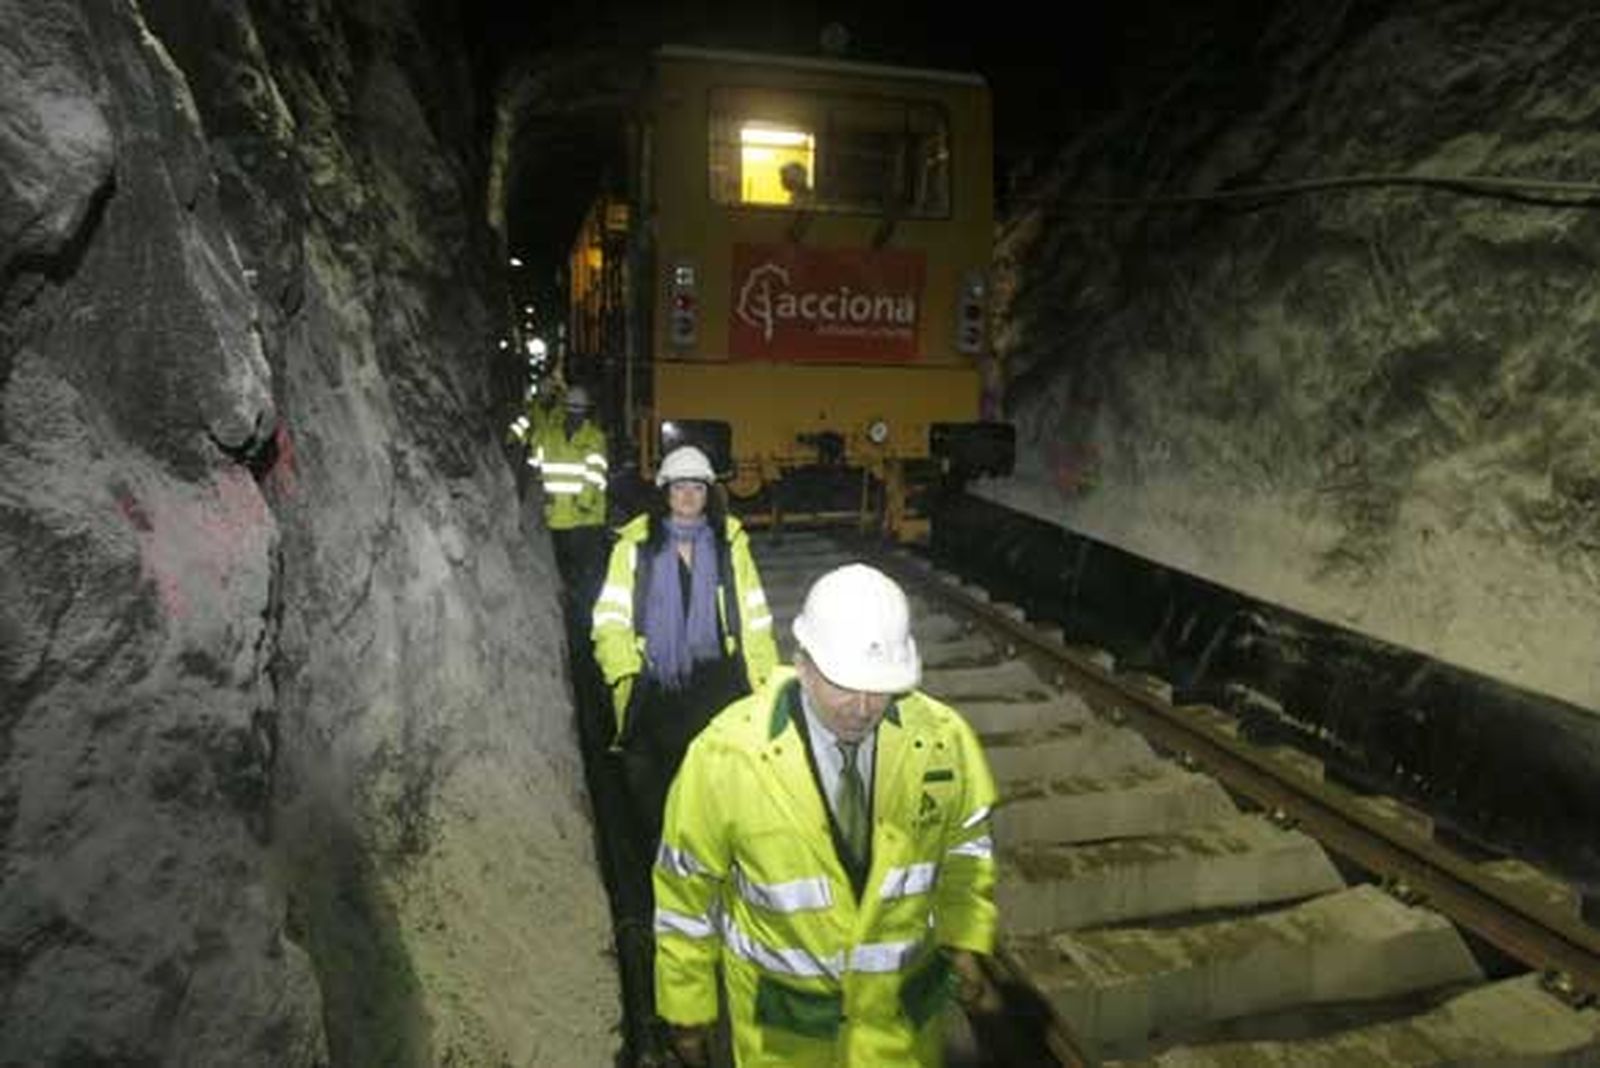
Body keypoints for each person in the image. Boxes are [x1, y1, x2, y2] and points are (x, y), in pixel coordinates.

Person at [652, 563, 1001, 1068]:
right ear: (803, 664)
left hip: (899, 1034)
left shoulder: (944, 743)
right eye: (844, 683)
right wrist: (688, 1010)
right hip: (789, 1036)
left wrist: (965, 939)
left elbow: (968, 850)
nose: (862, 707)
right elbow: (686, 892)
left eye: (879, 687)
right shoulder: (727, 758)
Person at [591, 443, 780, 1067]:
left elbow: (754, 624)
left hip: (715, 691)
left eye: (699, 488)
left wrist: (766, 693)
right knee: (661, 820)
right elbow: (610, 622)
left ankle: (725, 912)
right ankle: (674, 914)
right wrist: (626, 682)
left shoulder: (730, 546)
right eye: (680, 488)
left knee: (720, 812)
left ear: (711, 492)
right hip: (654, 699)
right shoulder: (635, 546)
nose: (690, 497)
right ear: (664, 491)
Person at [521, 382, 610, 604]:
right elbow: (535, 468)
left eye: (578, 411)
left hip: (586, 522)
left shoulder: (595, 438)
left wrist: (583, 503)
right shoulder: (548, 436)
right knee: (569, 574)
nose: (575, 415)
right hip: (558, 519)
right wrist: (539, 495)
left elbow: (595, 473)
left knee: (587, 578)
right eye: (572, 410)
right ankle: (573, 609)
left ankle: (584, 614)